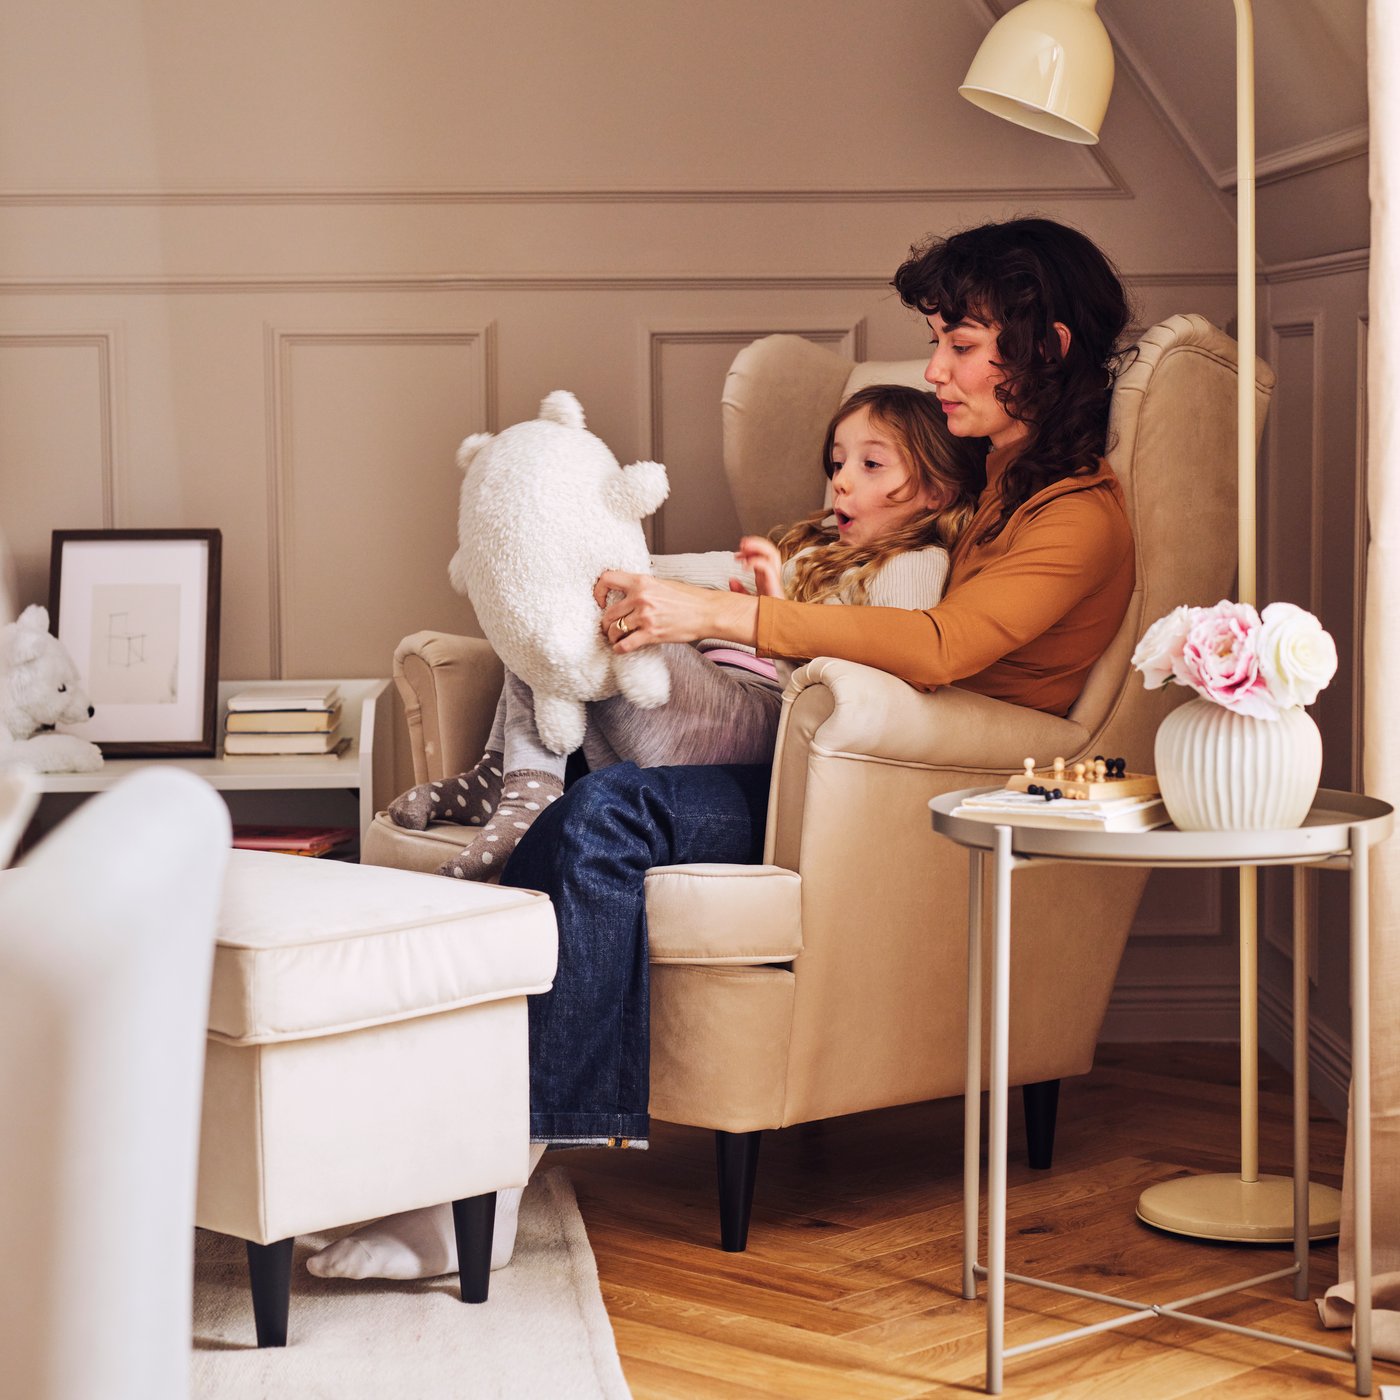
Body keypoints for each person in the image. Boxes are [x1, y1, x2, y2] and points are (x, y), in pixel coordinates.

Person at [308, 215, 1137, 1283]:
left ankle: (488, 1180)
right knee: (580, 816)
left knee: (608, 814)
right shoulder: (983, 489)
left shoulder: (1077, 518)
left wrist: (721, 613)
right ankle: (461, 1145)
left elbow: (941, 646)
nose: (934, 369)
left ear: (1048, 349)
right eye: (936, 338)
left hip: (907, 803)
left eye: (961, 343)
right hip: (829, 772)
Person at [381, 385, 983, 881]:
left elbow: (877, 691)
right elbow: (663, 575)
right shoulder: (805, 550)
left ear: (938, 488)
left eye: (870, 464)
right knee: (569, 601)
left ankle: (527, 792)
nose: (841, 481)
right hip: (698, 700)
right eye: (837, 462)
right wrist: (584, 555)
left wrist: (772, 606)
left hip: (757, 721)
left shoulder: (912, 564)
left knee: (594, 618)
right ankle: (506, 773)